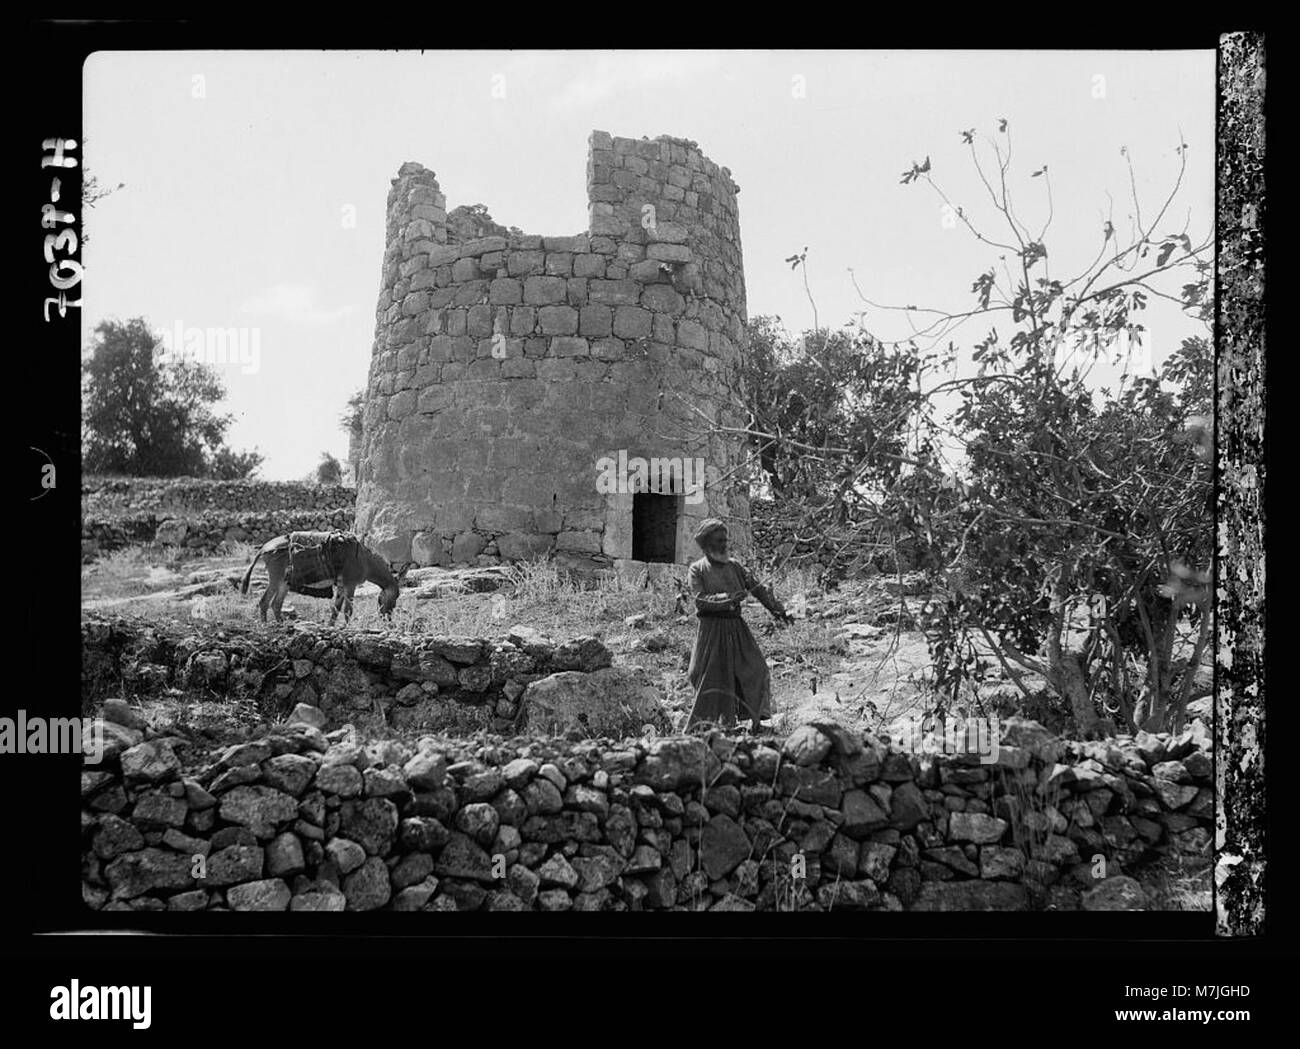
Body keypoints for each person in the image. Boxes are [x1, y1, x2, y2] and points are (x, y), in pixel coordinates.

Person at [685, 518, 792, 733]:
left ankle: (756, 722)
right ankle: (711, 726)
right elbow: (700, 600)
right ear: (708, 544)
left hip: (737, 628)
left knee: (757, 670)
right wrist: (728, 598)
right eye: (719, 540)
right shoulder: (697, 569)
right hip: (711, 631)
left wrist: (777, 610)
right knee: (709, 677)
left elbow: (758, 588)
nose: (725, 544)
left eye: (726, 539)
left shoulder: (735, 566)